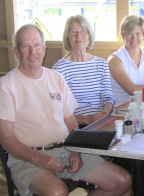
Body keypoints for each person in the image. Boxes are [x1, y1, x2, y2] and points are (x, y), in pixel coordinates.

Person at [0, 23, 132, 196]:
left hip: (66, 149)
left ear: (44, 49)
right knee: (57, 192)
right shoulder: (6, 86)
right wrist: (37, 158)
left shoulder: (56, 78)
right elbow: (6, 138)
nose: (33, 52)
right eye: (26, 46)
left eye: (37, 45)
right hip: (28, 158)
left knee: (122, 181)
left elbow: (70, 121)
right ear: (16, 51)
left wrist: (75, 151)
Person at [53, 15, 115, 128]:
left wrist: (103, 115)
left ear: (89, 35)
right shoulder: (59, 69)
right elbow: (57, 110)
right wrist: (88, 120)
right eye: (73, 32)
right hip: (75, 127)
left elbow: (108, 97)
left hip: (101, 122)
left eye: (83, 31)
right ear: (67, 36)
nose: (78, 36)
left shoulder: (101, 64)